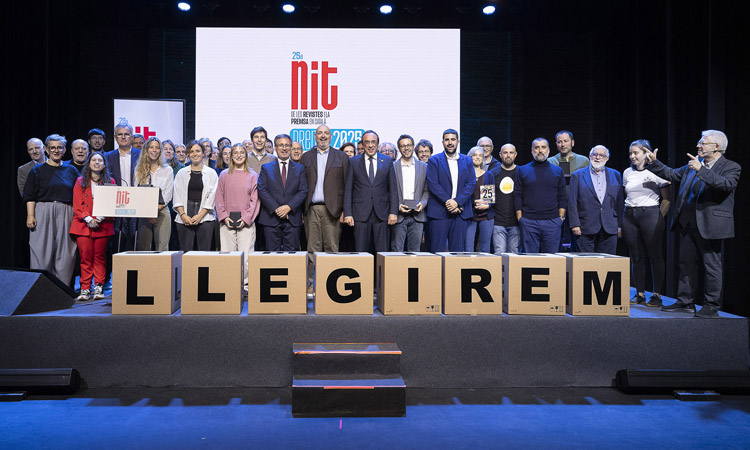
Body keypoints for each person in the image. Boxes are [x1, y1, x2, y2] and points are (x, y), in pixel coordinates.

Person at [646, 130, 741, 318]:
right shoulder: (694, 164)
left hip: (710, 224)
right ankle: (685, 301)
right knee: (685, 264)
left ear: (716, 147)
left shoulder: (730, 166)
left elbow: (726, 185)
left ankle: (711, 306)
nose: (698, 145)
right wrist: (654, 163)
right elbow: (672, 174)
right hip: (687, 222)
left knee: (711, 266)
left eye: (703, 143)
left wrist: (701, 170)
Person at [23, 134, 79, 285]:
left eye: (59, 147)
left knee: (66, 252)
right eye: (52, 148)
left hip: (66, 211)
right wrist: (30, 215)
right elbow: (30, 195)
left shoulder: (72, 170)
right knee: (41, 251)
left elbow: (78, 194)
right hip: (43, 211)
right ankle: (41, 289)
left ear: (64, 150)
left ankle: (62, 290)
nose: (56, 150)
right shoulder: (37, 170)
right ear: (46, 150)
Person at [622, 140, 671, 307]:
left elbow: (667, 200)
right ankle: (640, 293)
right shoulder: (627, 172)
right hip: (630, 215)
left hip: (650, 214)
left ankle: (656, 295)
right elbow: (627, 194)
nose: (632, 156)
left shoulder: (657, 171)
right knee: (636, 256)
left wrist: (658, 217)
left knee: (655, 255)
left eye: (636, 153)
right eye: (630, 153)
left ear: (646, 153)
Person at [301, 124, 349, 291]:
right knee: (312, 249)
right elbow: (301, 185)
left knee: (332, 248)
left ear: (331, 136)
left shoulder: (341, 157)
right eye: (319, 133)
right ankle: (312, 283)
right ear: (315, 136)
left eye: (326, 133)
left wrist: (345, 210)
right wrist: (302, 211)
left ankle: (331, 286)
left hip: (333, 210)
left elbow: (347, 186)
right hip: (311, 209)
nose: (323, 136)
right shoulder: (306, 157)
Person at [70, 152, 115, 300]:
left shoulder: (110, 181)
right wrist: (89, 219)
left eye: (100, 160)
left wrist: (99, 218)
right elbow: (77, 204)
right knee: (85, 258)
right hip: (83, 225)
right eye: (94, 160)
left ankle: (99, 287)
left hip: (103, 224)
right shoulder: (80, 181)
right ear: (89, 164)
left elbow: (111, 203)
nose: (97, 163)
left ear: (104, 165)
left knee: (100, 257)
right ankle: (85, 288)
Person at [215, 142, 260, 288]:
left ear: (246, 155)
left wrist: (246, 218)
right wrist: (224, 217)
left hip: (246, 223)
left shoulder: (253, 175)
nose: (239, 155)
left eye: (242, 152)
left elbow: (255, 200)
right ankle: (229, 284)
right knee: (228, 255)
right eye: (235, 153)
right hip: (227, 222)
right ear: (231, 156)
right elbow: (219, 197)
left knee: (246, 256)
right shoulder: (224, 175)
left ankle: (245, 285)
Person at [426, 129, 476, 252]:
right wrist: (450, 202)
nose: (450, 142)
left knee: (457, 253)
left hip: (460, 212)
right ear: (442, 142)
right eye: (447, 140)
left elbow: (471, 183)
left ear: (458, 142)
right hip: (439, 212)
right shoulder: (434, 160)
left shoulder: (467, 160)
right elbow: (433, 184)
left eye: (453, 139)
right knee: (437, 251)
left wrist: (457, 202)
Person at [344, 130, 394, 253]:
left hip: (382, 214)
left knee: (382, 252)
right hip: (360, 214)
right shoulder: (353, 161)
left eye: (373, 142)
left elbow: (393, 189)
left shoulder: (388, 161)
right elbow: (348, 189)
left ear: (378, 144)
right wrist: (348, 213)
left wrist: (393, 212)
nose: (370, 145)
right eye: (367, 142)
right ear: (362, 144)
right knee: (361, 252)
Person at [567, 145, 623, 255]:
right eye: (595, 154)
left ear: (607, 158)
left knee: (608, 261)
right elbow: (572, 202)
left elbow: (620, 202)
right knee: (585, 261)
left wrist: (620, 225)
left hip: (610, 226)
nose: (597, 157)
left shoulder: (616, 175)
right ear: (589, 156)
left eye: (601, 155)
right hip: (585, 226)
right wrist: (574, 224)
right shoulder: (577, 175)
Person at [514, 138, 567, 253]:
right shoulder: (522, 170)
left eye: (543, 147)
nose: (540, 150)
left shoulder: (557, 171)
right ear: (532, 150)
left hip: (552, 222)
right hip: (528, 222)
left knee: (552, 259)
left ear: (548, 149)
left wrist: (561, 218)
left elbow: (562, 196)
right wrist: (520, 218)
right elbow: (517, 195)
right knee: (530, 259)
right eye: (537, 147)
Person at [257, 135, 308, 251]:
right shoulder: (266, 168)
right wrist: (277, 209)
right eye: (281, 145)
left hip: (292, 218)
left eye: (287, 145)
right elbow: (262, 190)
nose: (284, 148)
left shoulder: (300, 168)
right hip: (271, 219)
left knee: (292, 255)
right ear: (275, 147)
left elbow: (303, 191)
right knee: (271, 255)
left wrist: (289, 207)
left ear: (290, 147)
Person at [173, 140, 219, 251]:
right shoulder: (181, 173)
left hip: (205, 217)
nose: (195, 154)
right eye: (191, 151)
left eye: (198, 151)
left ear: (203, 153)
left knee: (204, 253)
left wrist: (200, 215)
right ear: (188, 154)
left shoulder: (211, 173)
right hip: (184, 217)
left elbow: (212, 196)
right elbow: (177, 194)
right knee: (186, 252)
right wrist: (183, 215)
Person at [104, 118, 142, 252]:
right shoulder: (107, 156)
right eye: (120, 134)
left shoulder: (141, 155)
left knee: (136, 241)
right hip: (117, 205)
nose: (123, 137)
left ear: (132, 137)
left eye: (126, 134)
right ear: (115, 137)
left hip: (137, 204)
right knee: (118, 241)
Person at [550, 130, 590, 251]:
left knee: (578, 242)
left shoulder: (583, 161)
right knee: (554, 240)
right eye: (559, 142)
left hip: (577, 207)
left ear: (572, 143)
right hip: (556, 206)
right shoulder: (551, 161)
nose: (563, 144)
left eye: (566, 141)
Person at [389, 134, 429, 252]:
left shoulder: (424, 167)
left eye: (409, 145)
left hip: (418, 216)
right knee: (396, 251)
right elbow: (388, 191)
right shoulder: (392, 167)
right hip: (399, 216)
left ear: (413, 146)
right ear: (399, 148)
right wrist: (398, 206)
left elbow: (427, 190)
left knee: (415, 252)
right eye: (403, 146)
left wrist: (423, 203)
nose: (406, 148)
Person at [135, 137, 174, 251]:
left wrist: (156, 210)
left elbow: (168, 194)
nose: (154, 150)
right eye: (151, 147)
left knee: (162, 248)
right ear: (146, 150)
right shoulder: (138, 170)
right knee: (144, 248)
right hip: (144, 213)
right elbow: (137, 192)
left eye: (157, 148)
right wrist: (150, 212)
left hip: (162, 211)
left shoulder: (167, 170)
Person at [464, 146, 495, 253]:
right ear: (469, 157)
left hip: (486, 215)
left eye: (480, 155)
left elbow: (489, 198)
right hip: (470, 215)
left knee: (485, 248)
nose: (478, 157)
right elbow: (462, 196)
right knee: (468, 247)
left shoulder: (488, 175)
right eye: (475, 155)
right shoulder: (465, 176)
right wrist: (474, 202)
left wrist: (487, 205)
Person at [492, 144, 520, 254]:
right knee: (499, 254)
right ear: (500, 154)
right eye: (505, 152)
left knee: (514, 254)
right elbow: (488, 199)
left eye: (511, 152)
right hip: (498, 222)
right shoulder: (492, 174)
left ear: (515, 155)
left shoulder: (522, 172)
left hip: (516, 223)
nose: (508, 155)